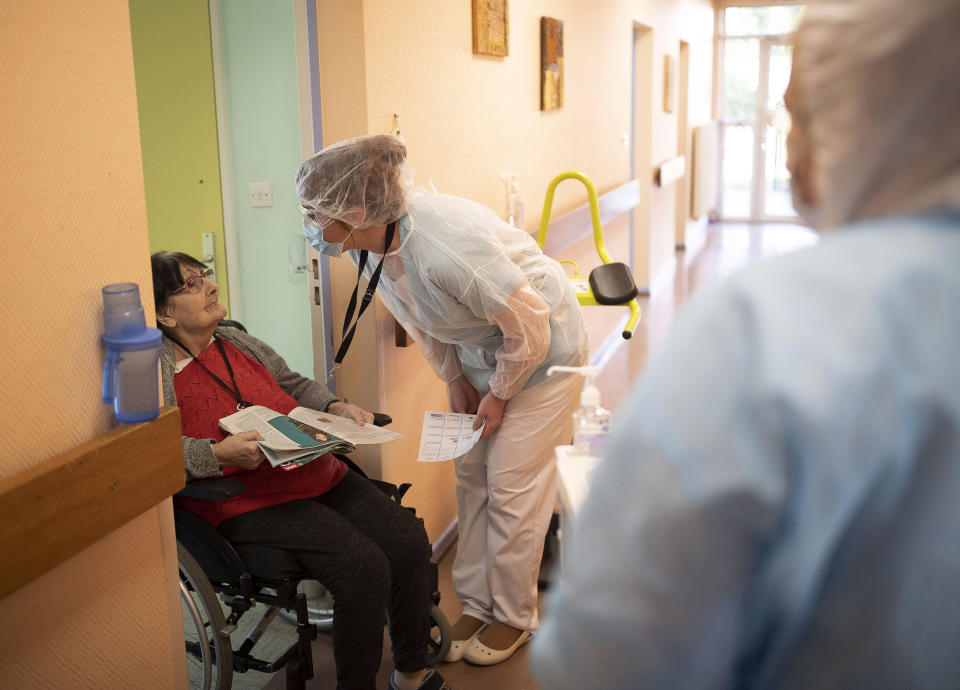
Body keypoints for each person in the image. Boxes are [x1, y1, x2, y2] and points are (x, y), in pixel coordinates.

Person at [531, 0, 960, 688]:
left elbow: (612, 658)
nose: (787, 149)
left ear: (869, 120)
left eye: (800, 116)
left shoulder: (767, 329)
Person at [296, 137, 589, 666]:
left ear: (355, 211)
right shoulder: (367, 244)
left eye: (316, 213)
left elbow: (531, 324)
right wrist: (454, 377)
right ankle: (478, 603)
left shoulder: (445, 244)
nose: (311, 224)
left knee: (511, 485)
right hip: (484, 353)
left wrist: (498, 395)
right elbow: (418, 317)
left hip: (543, 356)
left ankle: (514, 617)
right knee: (473, 477)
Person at [153, 251, 449, 690]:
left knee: (405, 537)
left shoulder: (237, 342)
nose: (211, 286)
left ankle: (410, 671)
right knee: (362, 565)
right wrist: (218, 455)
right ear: (163, 313)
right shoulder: (154, 371)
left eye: (206, 276)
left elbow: (292, 386)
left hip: (308, 467)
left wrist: (334, 406)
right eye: (191, 284)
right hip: (243, 497)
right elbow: (155, 454)